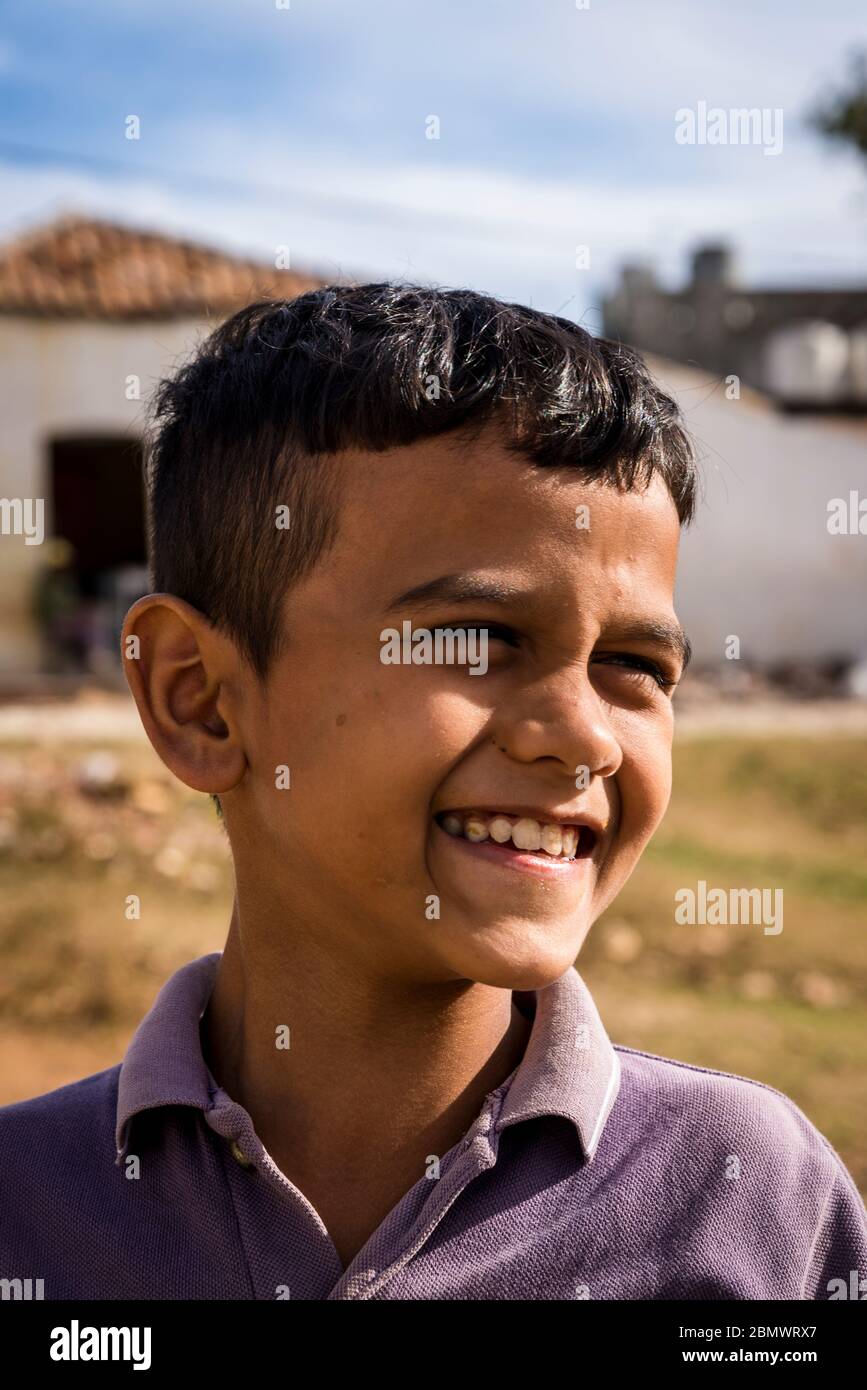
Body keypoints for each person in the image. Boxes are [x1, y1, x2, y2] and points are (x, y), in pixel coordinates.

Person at [1, 284, 864, 1300]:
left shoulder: (749, 1204)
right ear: (201, 701)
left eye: (635, 665)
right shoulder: (28, 1212)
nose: (585, 738)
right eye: (477, 640)